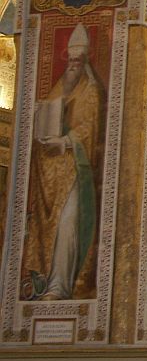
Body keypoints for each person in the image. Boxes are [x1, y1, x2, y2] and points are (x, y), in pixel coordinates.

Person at [23, 23, 105, 301]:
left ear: (84, 63)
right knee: (51, 225)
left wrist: (67, 141)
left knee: (69, 224)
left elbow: (89, 128)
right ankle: (47, 282)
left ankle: (62, 284)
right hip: (52, 175)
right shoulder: (60, 88)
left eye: (77, 61)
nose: (72, 66)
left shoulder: (90, 92)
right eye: (69, 60)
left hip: (76, 173)